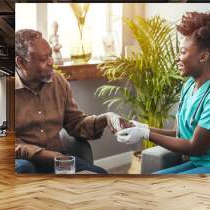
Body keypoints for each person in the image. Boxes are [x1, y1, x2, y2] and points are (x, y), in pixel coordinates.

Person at [116, 12, 210, 174]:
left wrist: (146, 134)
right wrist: (142, 127)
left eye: (183, 52)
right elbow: (178, 134)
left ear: (203, 56)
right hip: (197, 164)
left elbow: (195, 147)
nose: (178, 58)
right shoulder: (189, 85)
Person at [15, 29, 128, 174]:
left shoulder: (58, 81)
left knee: (100, 174)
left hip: (58, 159)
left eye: (50, 55)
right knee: (24, 168)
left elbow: (76, 123)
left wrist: (106, 118)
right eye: (44, 59)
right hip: (24, 162)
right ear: (21, 62)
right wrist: (44, 155)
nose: (51, 62)